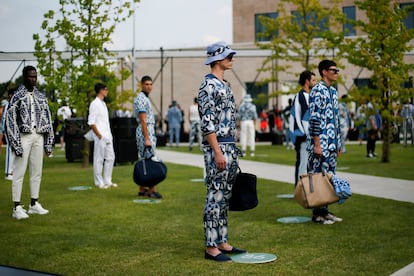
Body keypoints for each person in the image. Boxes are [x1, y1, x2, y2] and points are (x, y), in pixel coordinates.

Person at [198, 41, 246, 262]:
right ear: (217, 59)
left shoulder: (225, 84)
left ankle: (222, 241)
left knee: (225, 197)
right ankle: (210, 246)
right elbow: (207, 124)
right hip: (217, 148)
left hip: (229, 147)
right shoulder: (207, 86)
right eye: (228, 55)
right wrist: (217, 152)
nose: (231, 58)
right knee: (214, 196)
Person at [5, 66, 54, 220]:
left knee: (36, 171)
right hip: (23, 136)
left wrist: (48, 142)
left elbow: (48, 118)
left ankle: (34, 204)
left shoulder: (41, 95)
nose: (33, 79)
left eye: (35, 76)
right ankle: (16, 207)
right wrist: (15, 143)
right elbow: (10, 119)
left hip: (38, 135)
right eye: (30, 76)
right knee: (19, 172)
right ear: (24, 77)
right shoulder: (17, 96)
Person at [307, 60, 343, 225]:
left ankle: (325, 212)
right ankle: (317, 214)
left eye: (337, 70)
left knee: (329, 179)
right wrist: (317, 144)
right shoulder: (317, 91)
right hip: (320, 144)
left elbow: (336, 120)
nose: (336, 73)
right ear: (324, 72)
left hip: (332, 144)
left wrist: (339, 143)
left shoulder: (334, 92)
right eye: (333, 70)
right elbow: (314, 119)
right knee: (319, 179)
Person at [134, 75, 162, 199]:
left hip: (147, 129)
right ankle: (151, 189)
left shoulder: (145, 98)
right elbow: (143, 120)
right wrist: (147, 138)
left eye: (151, 84)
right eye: (146, 84)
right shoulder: (141, 99)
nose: (149, 86)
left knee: (144, 160)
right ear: (142, 85)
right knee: (150, 160)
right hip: (145, 130)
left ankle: (142, 188)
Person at [87, 83, 117, 189]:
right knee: (98, 159)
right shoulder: (94, 104)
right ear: (100, 90)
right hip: (100, 136)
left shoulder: (103, 104)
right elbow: (91, 122)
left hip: (107, 135)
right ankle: (99, 182)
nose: (107, 91)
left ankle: (107, 180)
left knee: (110, 157)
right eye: (106, 89)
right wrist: (98, 135)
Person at [291, 70, 316, 185]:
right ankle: (300, 189)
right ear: (307, 81)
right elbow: (299, 117)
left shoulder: (308, 96)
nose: (315, 83)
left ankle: (306, 189)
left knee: (308, 164)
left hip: (307, 136)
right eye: (313, 80)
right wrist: (305, 134)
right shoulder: (301, 97)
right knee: (302, 164)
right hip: (304, 137)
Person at [1, 88, 16, 180]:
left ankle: (12, 171)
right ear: (11, 95)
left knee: (14, 151)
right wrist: (4, 130)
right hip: (9, 130)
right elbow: (4, 119)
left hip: (15, 131)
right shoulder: (8, 105)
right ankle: (8, 173)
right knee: (10, 151)